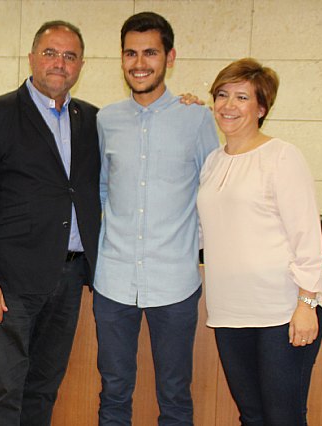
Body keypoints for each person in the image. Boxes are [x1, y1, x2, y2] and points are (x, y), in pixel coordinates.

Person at [0, 21, 101, 426]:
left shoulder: (92, 119)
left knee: (43, 388)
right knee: (4, 390)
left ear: (81, 65)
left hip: (69, 278)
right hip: (9, 284)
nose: (59, 63)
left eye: (70, 56)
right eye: (50, 53)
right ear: (32, 57)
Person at [93, 12, 219, 425]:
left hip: (175, 283)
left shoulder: (197, 118)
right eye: (130, 53)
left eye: (150, 52)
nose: (139, 63)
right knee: (113, 393)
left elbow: (212, 192)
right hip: (114, 281)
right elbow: (103, 190)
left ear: (170, 57)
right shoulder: (106, 120)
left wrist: (194, 247)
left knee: (175, 396)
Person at [197, 58, 322, 425]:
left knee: (284, 417)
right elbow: (206, 233)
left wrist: (307, 303)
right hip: (229, 313)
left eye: (242, 97)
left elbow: (307, 237)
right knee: (252, 417)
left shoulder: (281, 156)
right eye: (222, 95)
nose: (229, 105)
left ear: (261, 108)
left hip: (282, 312)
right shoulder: (212, 162)